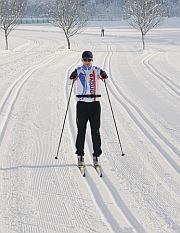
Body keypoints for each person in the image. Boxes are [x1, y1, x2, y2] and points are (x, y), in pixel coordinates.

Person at [70, 51, 108, 167]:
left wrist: (104, 75)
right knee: (81, 131)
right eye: (85, 60)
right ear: (82, 60)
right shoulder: (78, 70)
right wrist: (72, 77)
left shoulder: (96, 70)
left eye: (89, 60)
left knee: (95, 131)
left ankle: (96, 155)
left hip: (95, 104)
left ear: (92, 60)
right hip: (82, 104)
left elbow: (106, 80)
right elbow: (68, 82)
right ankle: (80, 155)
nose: (87, 62)